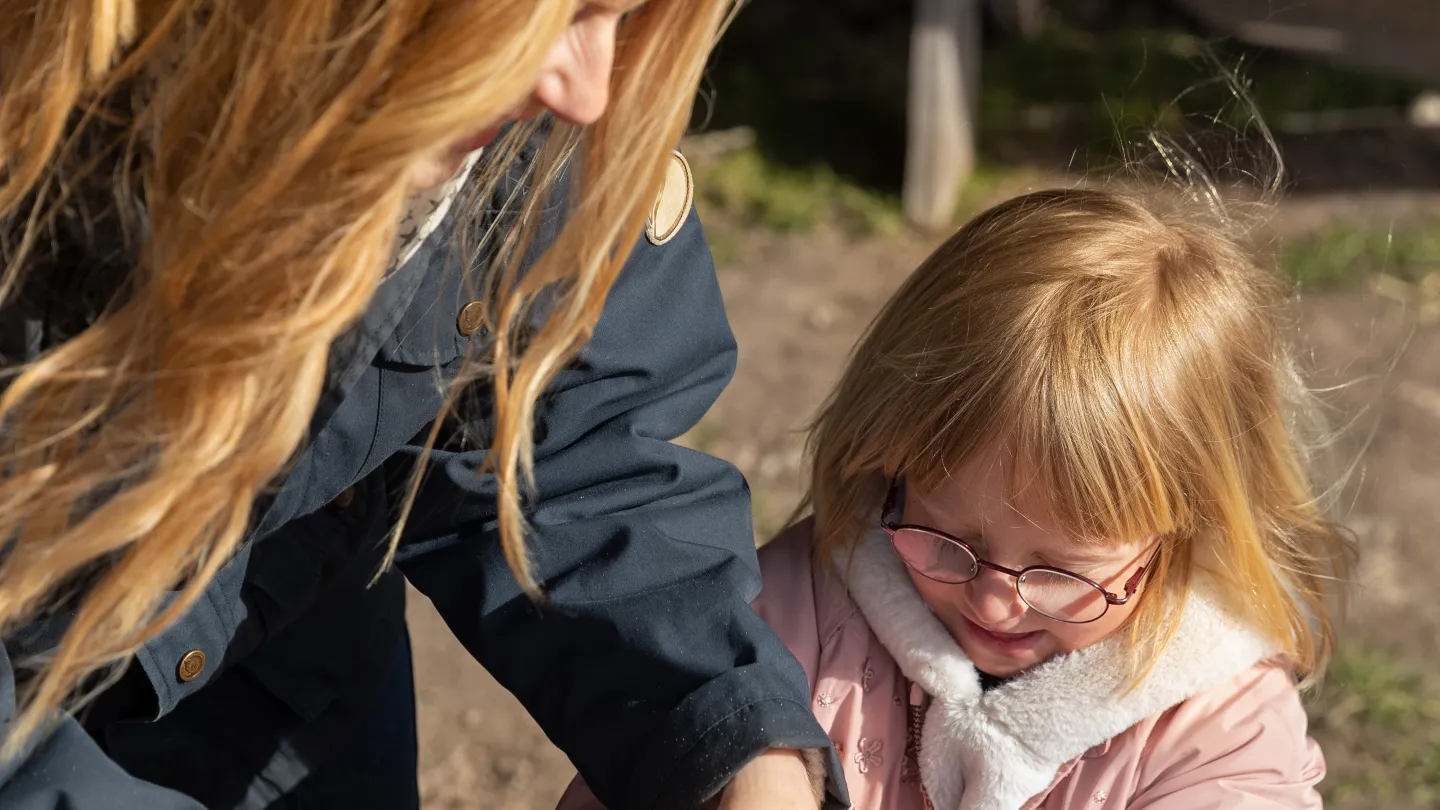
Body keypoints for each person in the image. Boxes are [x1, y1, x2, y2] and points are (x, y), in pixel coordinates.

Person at [0, 2, 842, 808]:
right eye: (547, 16)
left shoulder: (542, 130)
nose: (586, 92)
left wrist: (735, 737)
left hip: (277, 691)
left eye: (620, 17)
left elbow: (566, 442)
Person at [560, 183, 1357, 810]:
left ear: (1184, 526)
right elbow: (635, 755)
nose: (998, 604)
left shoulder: (1217, 732)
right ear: (890, 461)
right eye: (950, 542)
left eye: (1060, 572)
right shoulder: (789, 610)